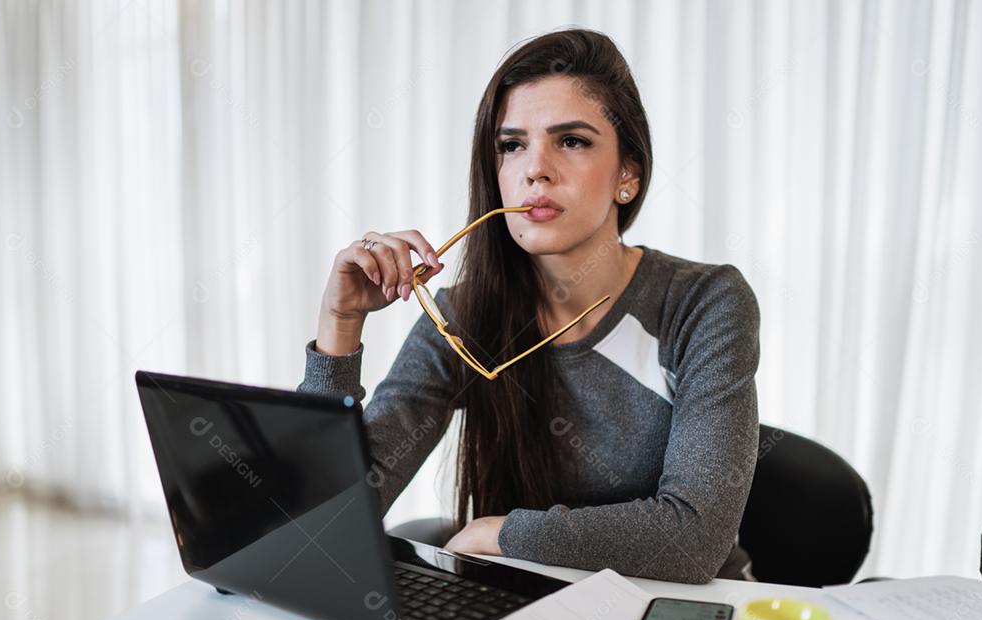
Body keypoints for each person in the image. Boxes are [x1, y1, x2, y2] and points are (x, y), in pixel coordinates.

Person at [299, 28, 760, 583]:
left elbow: (693, 540)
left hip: (684, 617)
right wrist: (340, 327)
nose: (534, 169)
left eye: (571, 141)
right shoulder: (460, 318)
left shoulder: (703, 303)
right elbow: (322, 524)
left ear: (628, 176)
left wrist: (501, 533)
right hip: (527, 614)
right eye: (511, 145)